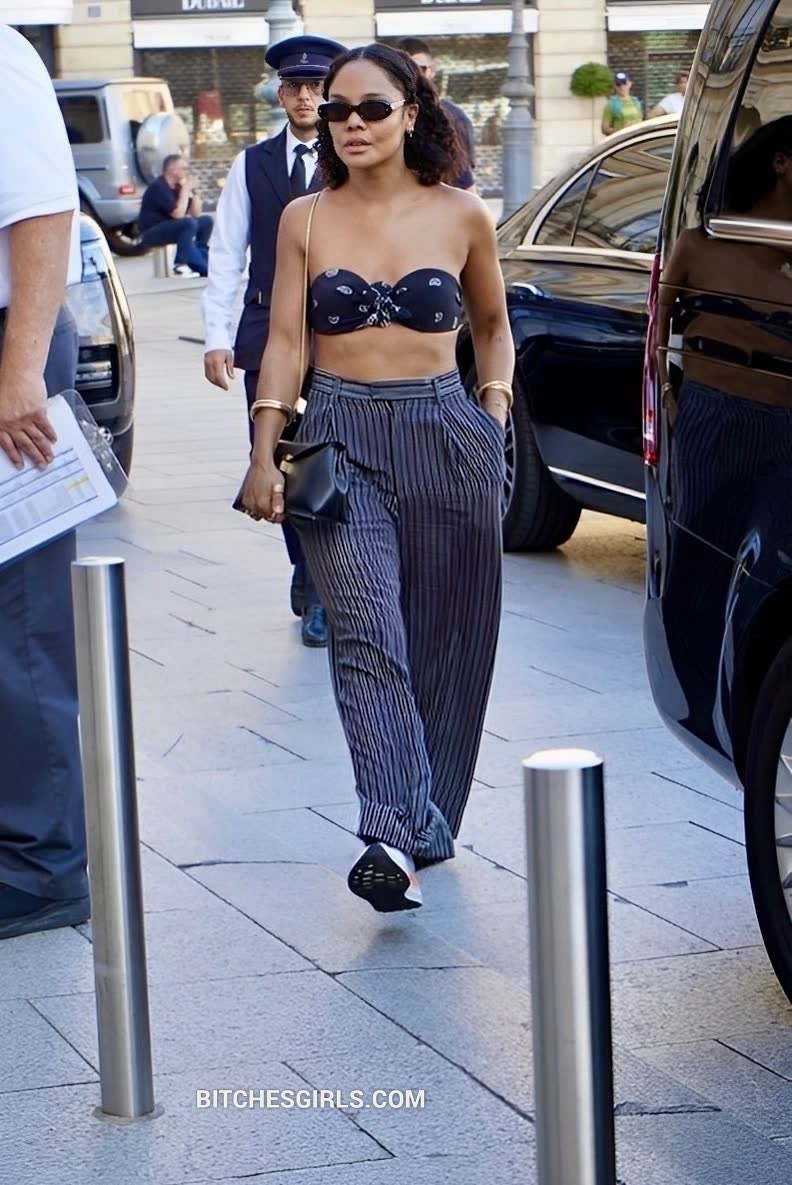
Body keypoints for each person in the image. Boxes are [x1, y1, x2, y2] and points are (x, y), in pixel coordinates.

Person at [240, 44, 513, 912]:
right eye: (336, 111)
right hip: (340, 437)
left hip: (447, 434)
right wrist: (263, 450)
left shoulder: (463, 213)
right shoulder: (305, 219)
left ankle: (427, 822)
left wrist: (493, 419)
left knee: (448, 641)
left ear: (411, 113)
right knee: (365, 632)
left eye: (371, 108)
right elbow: (287, 341)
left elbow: (493, 327)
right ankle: (389, 832)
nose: (351, 123)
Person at [202, 35, 346, 648]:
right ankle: (303, 565)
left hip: (339, 331)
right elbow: (225, 252)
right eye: (294, 87)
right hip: (266, 332)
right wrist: (217, 336)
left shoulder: (352, 155)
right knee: (277, 456)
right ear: (279, 96)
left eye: (315, 87)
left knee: (330, 454)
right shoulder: (252, 163)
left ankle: (323, 586)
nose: (305, 97)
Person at [0, 25, 89, 938]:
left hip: (5, 349)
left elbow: (41, 212)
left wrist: (20, 372)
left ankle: (41, 865)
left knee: (20, 618)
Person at [398, 37, 476, 191]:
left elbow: (466, 181)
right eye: (406, 70)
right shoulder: (388, 114)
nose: (414, 76)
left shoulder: (453, 116)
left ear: (432, 70)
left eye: (420, 68)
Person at [140, 154, 213, 277]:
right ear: (172, 169)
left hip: (174, 227)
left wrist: (194, 193)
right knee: (188, 223)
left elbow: (195, 213)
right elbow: (178, 215)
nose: (186, 172)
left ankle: (202, 252)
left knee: (206, 221)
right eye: (184, 168)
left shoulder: (178, 186)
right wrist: (185, 189)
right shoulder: (159, 187)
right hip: (152, 231)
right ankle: (180, 262)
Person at [602, 71, 643, 136]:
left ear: (630, 84)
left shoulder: (635, 101)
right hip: (622, 139)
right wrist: (622, 131)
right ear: (614, 86)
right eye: (618, 84)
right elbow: (605, 129)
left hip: (636, 139)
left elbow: (640, 121)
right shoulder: (611, 104)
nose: (622, 87)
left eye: (624, 83)